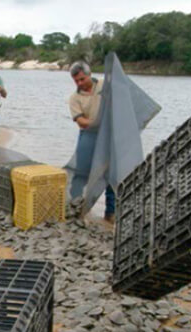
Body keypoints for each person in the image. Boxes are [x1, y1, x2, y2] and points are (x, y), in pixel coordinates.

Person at [67, 61, 116, 224]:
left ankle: (111, 213)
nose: (80, 83)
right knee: (80, 172)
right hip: (88, 134)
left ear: (89, 74)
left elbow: (120, 102)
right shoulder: (74, 98)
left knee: (110, 174)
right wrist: (97, 122)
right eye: (76, 81)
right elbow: (81, 121)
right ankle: (75, 207)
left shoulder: (104, 85)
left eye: (82, 79)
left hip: (108, 135)